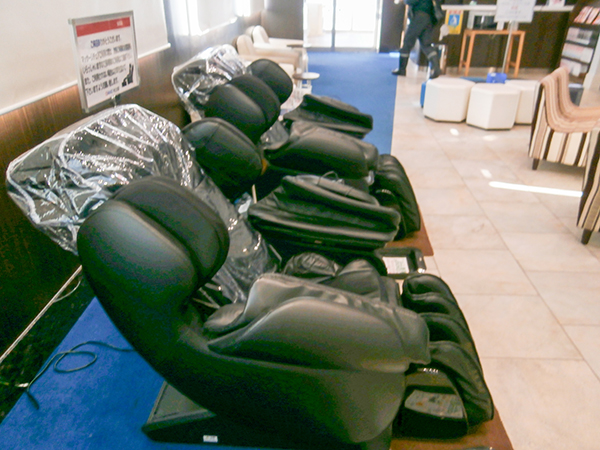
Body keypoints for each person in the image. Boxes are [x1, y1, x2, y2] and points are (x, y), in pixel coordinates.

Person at [393, 0, 443, 79]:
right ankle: (437, 69)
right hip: (430, 17)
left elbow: (411, 1)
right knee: (426, 45)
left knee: (407, 42)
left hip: (419, 16)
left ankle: (402, 70)